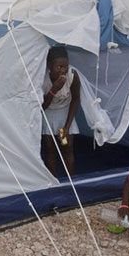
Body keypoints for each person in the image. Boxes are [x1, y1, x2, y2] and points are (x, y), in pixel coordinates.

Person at [41, 46, 81, 177]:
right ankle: (53, 181)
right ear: (49, 66)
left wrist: (67, 127)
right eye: (59, 67)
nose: (63, 71)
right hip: (49, 113)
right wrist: (54, 89)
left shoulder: (72, 75)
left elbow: (75, 99)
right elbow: (43, 107)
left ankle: (71, 180)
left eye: (65, 66)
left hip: (66, 112)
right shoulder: (42, 79)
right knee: (49, 149)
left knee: (67, 147)